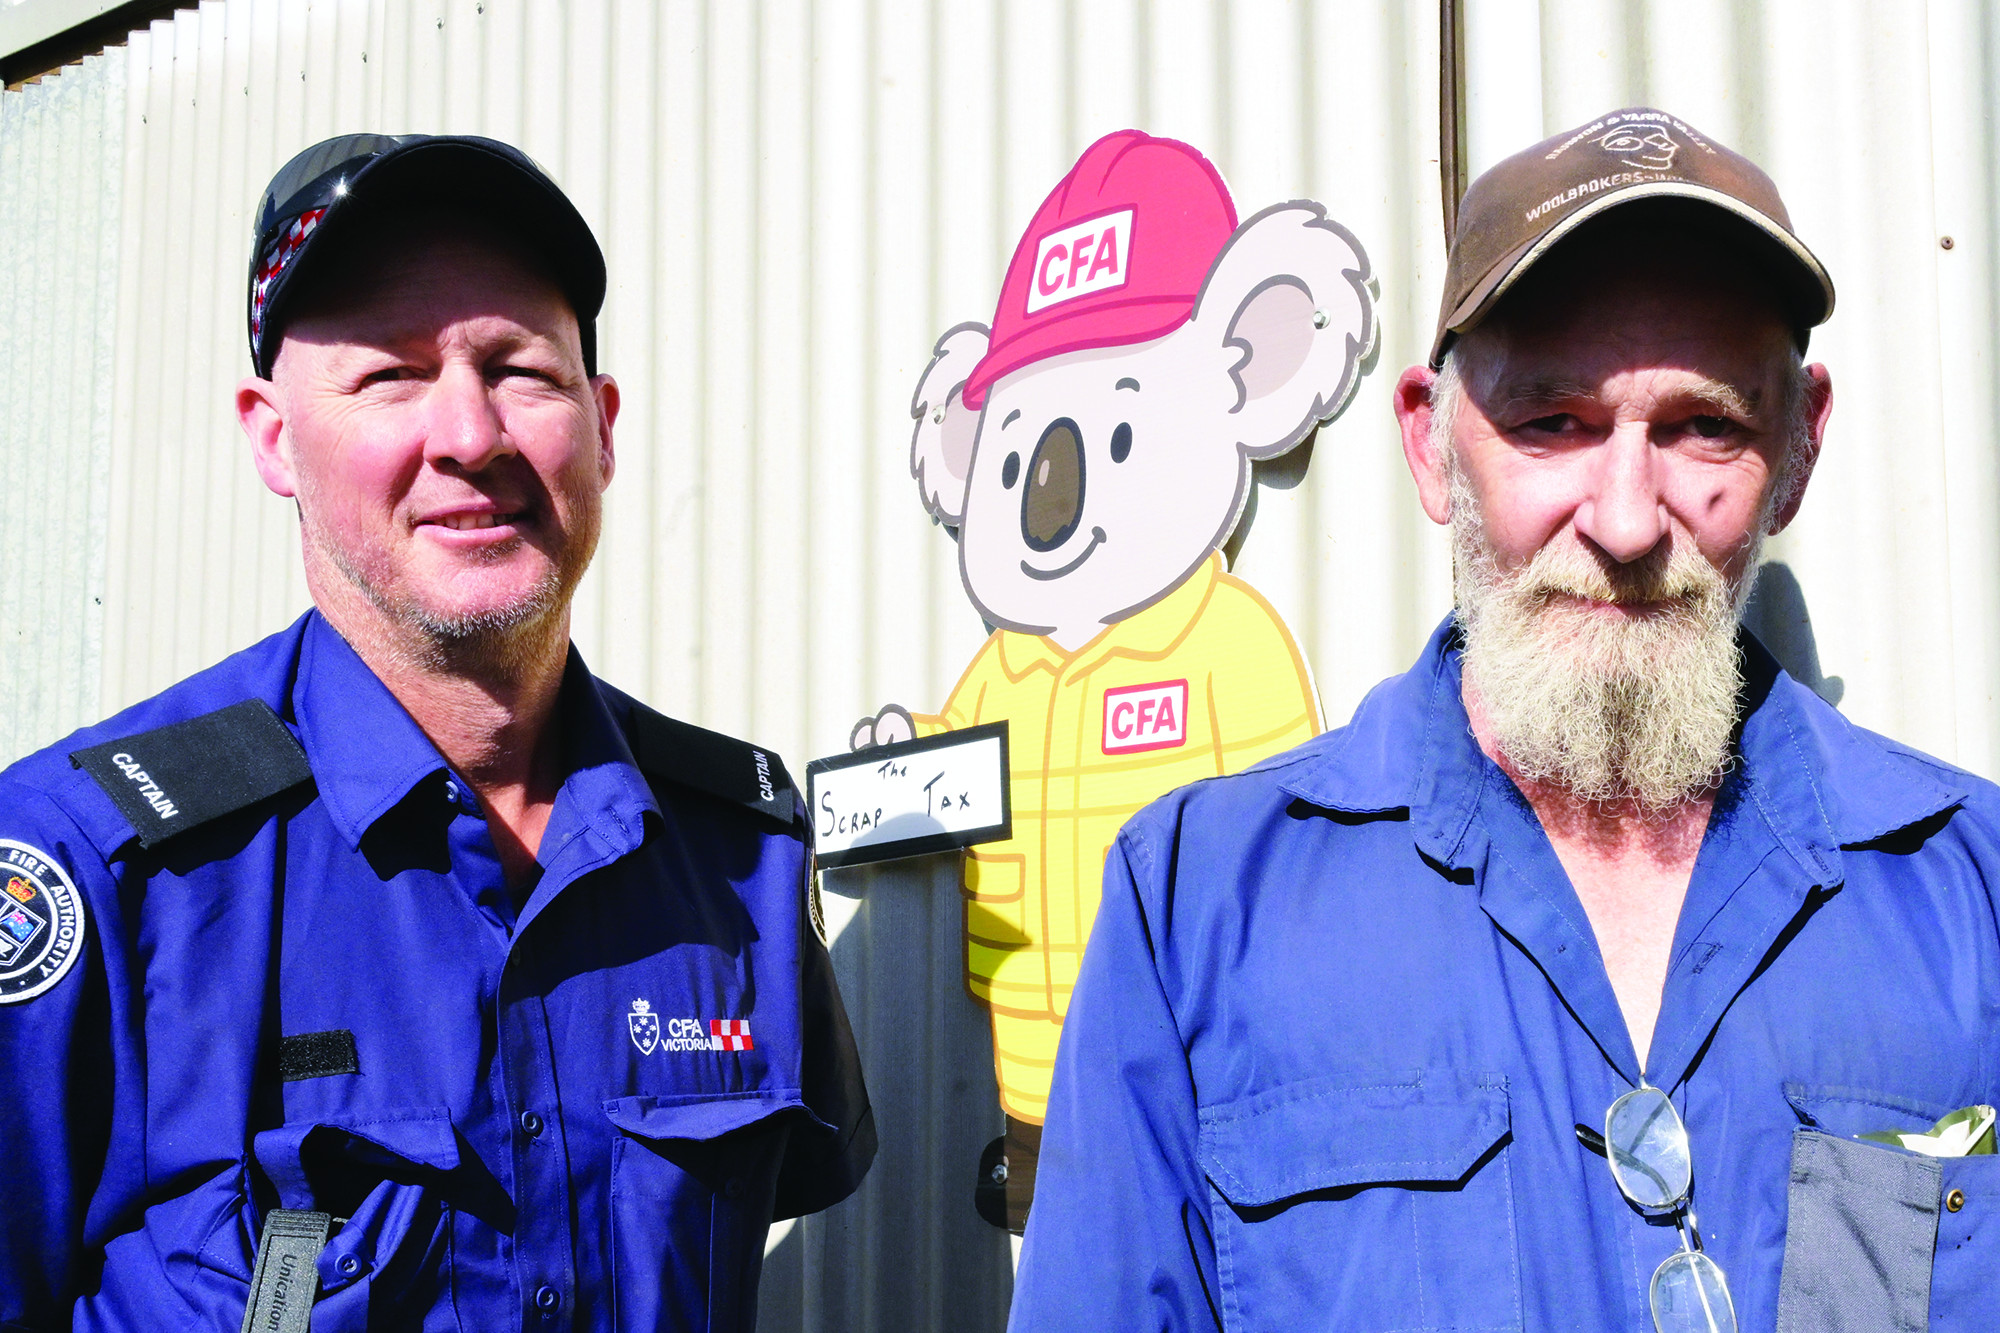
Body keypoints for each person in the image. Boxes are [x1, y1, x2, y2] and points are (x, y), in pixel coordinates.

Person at [1011, 107, 2000, 1331]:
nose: (1626, 520)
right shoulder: (1198, 903)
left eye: (1702, 426)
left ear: (1795, 449)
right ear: (1431, 445)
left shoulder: (1971, 890)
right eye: (1551, 423)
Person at [0, 133, 873, 1332]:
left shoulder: (737, 856)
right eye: (391, 376)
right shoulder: (98, 867)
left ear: (602, 427)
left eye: (521, 369)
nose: (470, 434)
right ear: (271, 437)